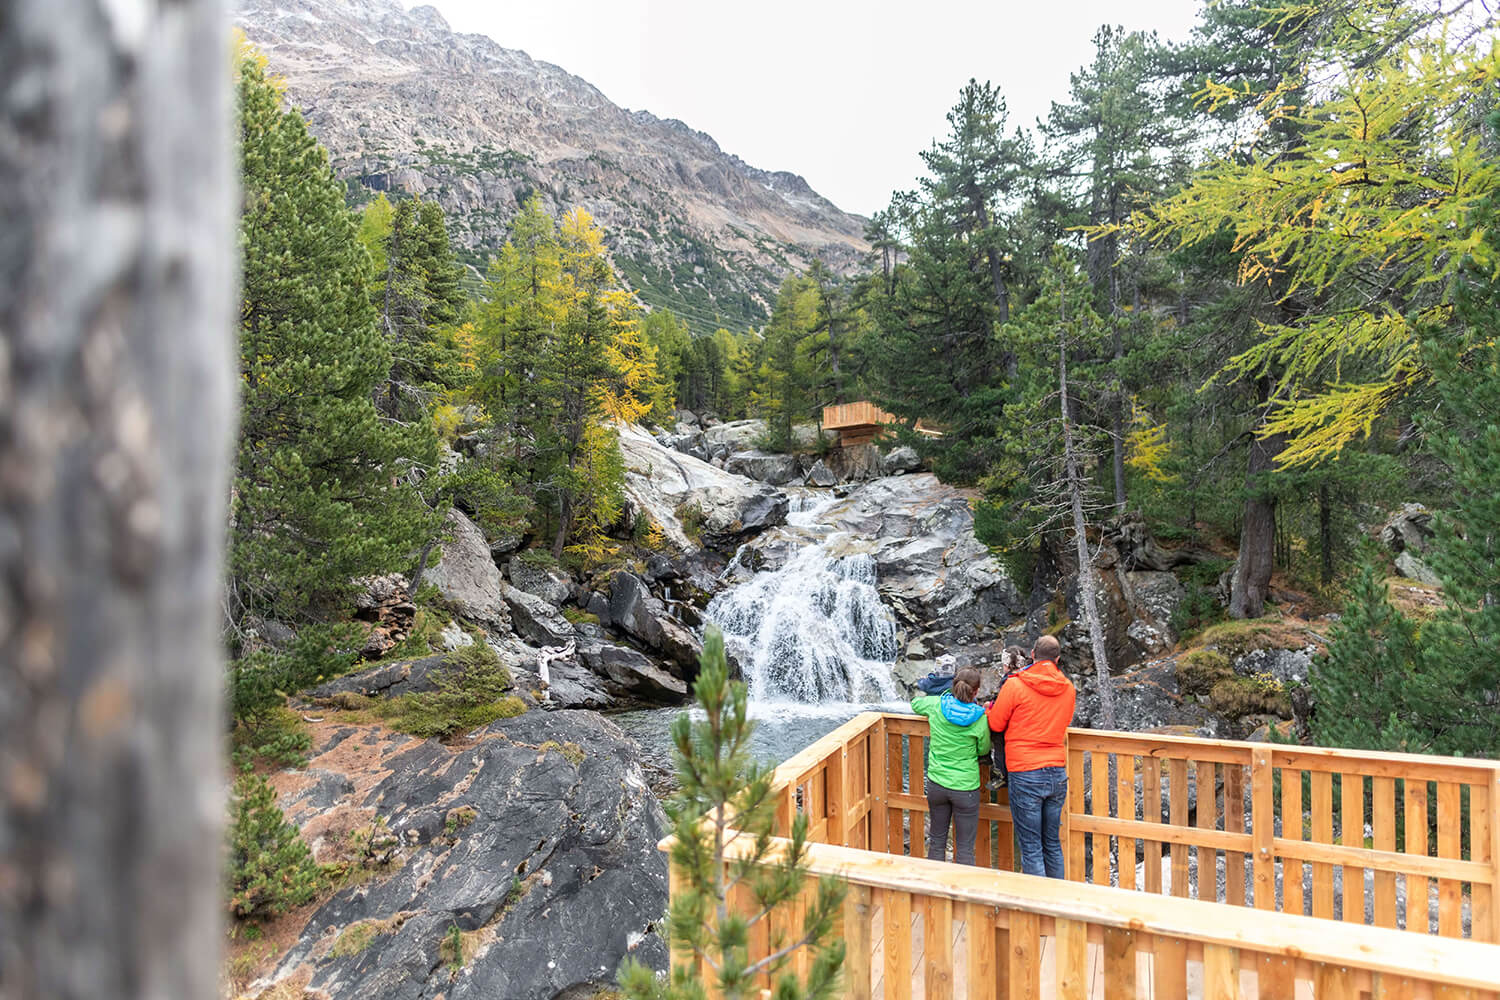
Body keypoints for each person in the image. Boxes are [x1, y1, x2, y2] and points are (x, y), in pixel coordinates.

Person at [985, 635, 1076, 878]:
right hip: (1056, 771)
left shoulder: (1015, 685)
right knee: (1052, 844)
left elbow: (995, 723)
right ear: (1057, 659)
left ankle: (1038, 911)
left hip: (1025, 771)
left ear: (1033, 654)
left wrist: (988, 709)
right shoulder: (1068, 688)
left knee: (1032, 848)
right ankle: (1056, 906)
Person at [909, 666, 990, 865]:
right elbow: (983, 749)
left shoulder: (936, 705)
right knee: (964, 849)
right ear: (976, 691)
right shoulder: (980, 717)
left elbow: (915, 703)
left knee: (936, 841)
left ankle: (934, 892)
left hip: (937, 783)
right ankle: (961, 895)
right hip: (965, 787)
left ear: (953, 686)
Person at [985, 646, 1029, 790]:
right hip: (1023, 726)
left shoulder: (1008, 681)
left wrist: (990, 707)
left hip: (1008, 723)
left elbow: (1001, 703)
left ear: (1007, 664)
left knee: (998, 739)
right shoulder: (1028, 676)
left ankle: (1001, 775)